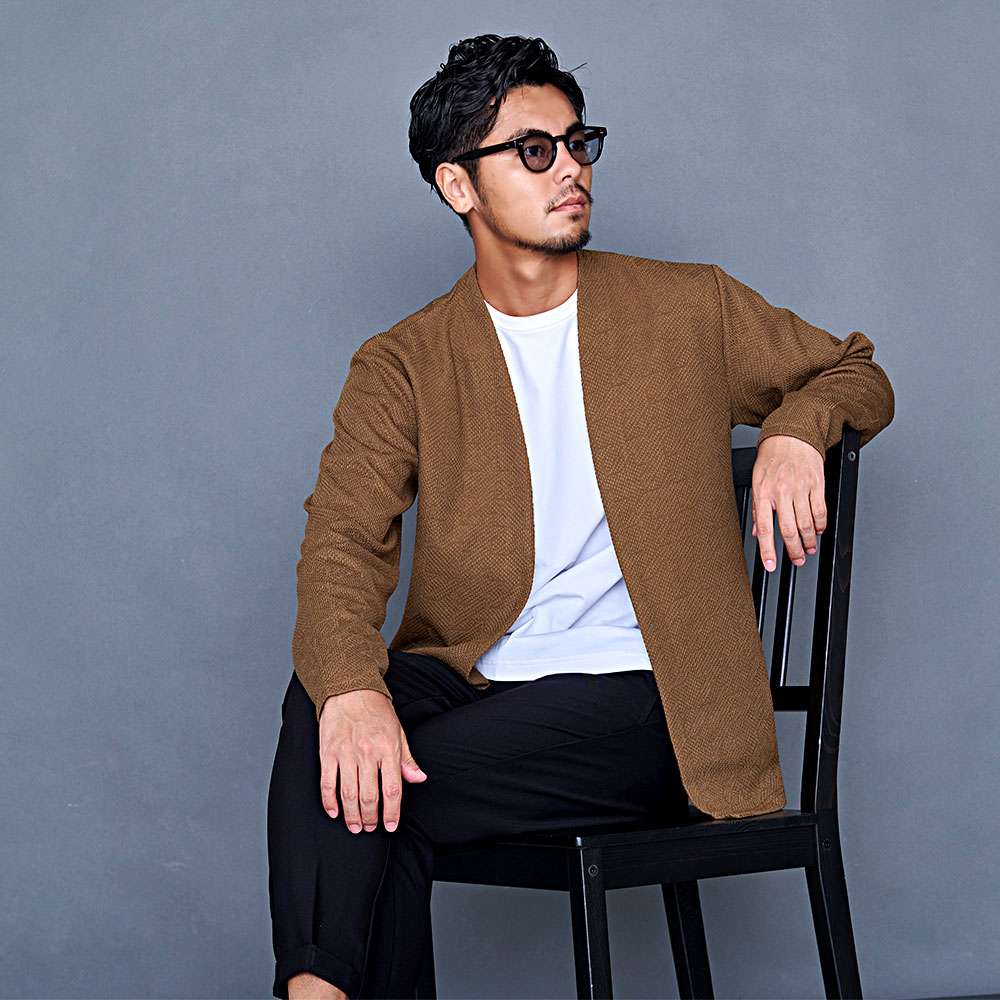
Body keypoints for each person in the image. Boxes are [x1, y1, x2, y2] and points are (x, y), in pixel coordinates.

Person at [266, 33, 894, 1000]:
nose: (570, 168)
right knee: (329, 709)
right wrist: (353, 692)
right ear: (457, 186)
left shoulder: (687, 308)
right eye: (534, 150)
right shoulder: (404, 363)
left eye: (577, 142)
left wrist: (795, 431)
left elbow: (857, 371)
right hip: (477, 680)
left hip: (647, 698)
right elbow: (341, 543)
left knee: (379, 787)